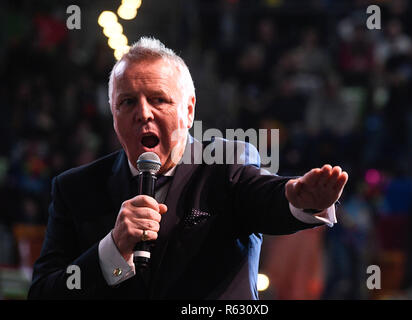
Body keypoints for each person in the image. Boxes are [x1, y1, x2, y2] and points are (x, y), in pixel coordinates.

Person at [28, 37, 348, 299]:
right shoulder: (75, 189)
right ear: (113, 114)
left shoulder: (226, 164)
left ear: (189, 110)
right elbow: (44, 293)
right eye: (127, 102)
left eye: (158, 100)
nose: (143, 113)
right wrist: (112, 250)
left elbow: (266, 196)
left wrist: (297, 197)